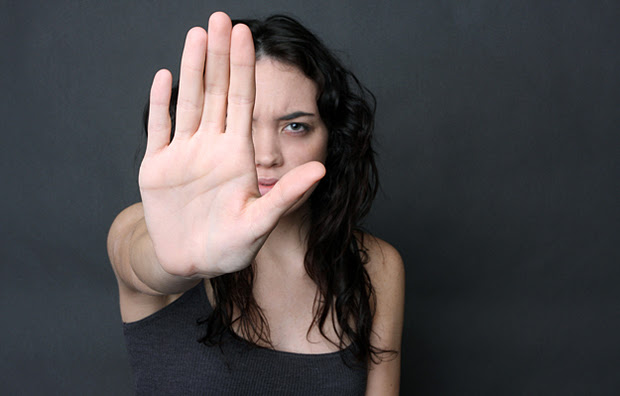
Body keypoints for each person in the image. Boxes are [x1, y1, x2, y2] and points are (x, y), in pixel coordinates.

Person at [107, 11, 404, 395]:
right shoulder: (148, 231)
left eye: (295, 126)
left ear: (333, 139)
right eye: (242, 121)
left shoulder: (377, 267)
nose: (266, 155)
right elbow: (144, 262)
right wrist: (176, 262)